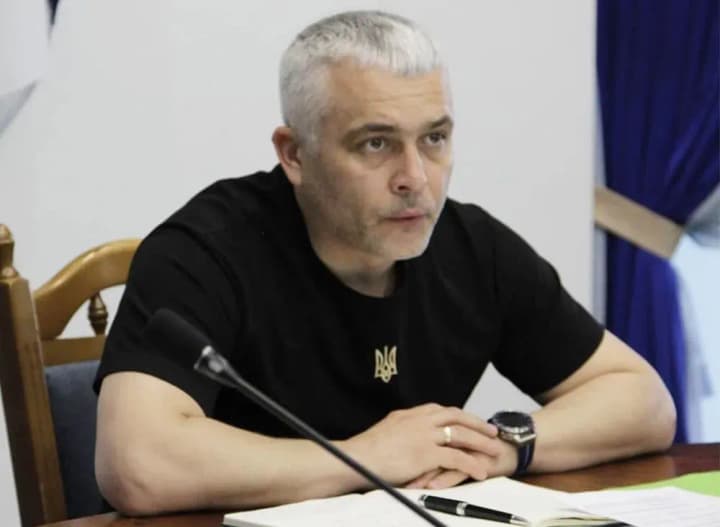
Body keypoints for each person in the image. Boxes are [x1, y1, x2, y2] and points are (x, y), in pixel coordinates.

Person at [94, 10, 676, 516]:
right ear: (295, 154)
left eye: (434, 139)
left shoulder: (472, 246)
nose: (415, 179)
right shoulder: (205, 250)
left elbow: (642, 400)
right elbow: (138, 464)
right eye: (376, 143)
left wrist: (505, 445)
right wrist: (364, 457)